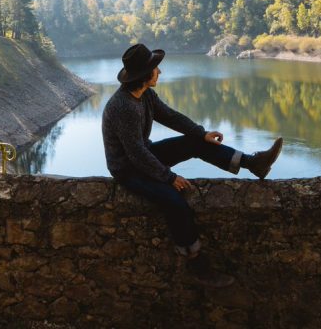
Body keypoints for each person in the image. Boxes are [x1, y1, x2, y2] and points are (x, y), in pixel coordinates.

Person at [102, 43, 284, 287]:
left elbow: (170, 116)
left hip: (143, 155)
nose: (160, 72)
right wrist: (168, 177)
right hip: (127, 168)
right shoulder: (123, 107)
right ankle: (196, 264)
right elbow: (134, 154)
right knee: (176, 202)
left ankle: (253, 163)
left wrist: (201, 133)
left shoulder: (144, 95)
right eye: (156, 69)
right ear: (145, 76)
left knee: (195, 143)